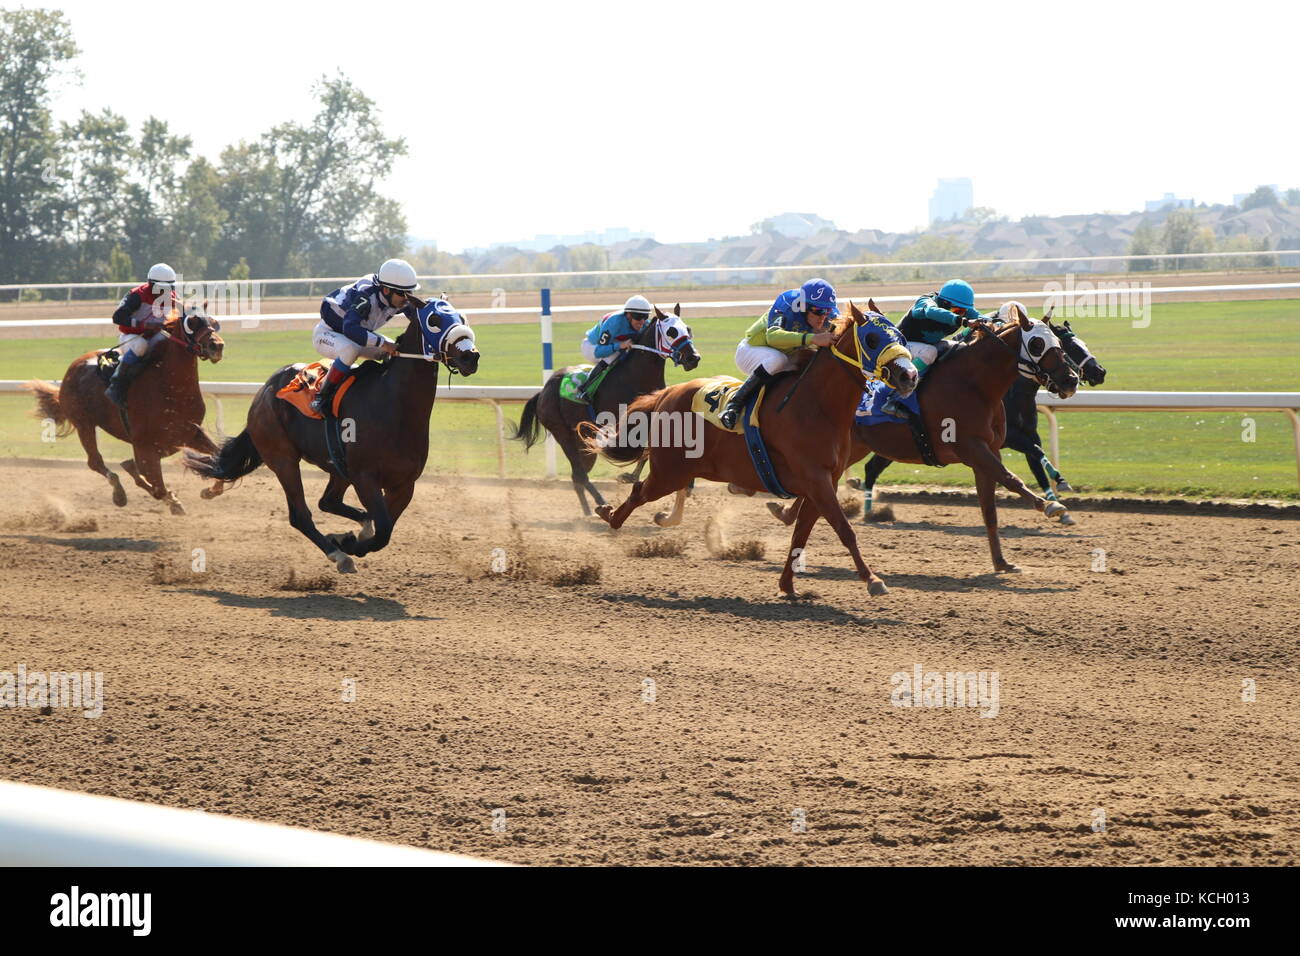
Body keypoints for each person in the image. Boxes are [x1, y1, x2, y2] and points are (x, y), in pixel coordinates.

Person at [718, 277, 837, 429]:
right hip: (750, 352)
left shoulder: (827, 313)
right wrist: (813, 338)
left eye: (828, 311)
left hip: (786, 357)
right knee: (778, 359)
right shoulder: (785, 303)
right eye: (819, 311)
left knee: (809, 362)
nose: (824, 317)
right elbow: (772, 337)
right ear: (803, 306)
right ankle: (734, 405)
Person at [310, 259, 422, 416]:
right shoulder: (366, 296)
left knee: (392, 351)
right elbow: (349, 329)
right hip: (329, 334)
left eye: (410, 292)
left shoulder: (395, 297)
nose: (407, 298)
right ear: (386, 290)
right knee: (351, 350)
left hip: (357, 333)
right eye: (403, 293)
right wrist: (383, 343)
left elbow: (419, 317)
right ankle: (322, 396)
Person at [881, 278, 989, 418]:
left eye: (964, 311)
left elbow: (982, 318)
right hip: (899, 346)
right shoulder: (926, 302)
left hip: (925, 346)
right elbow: (931, 311)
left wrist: (999, 323)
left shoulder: (961, 309)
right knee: (929, 352)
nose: (961, 313)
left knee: (963, 349)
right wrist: (962, 320)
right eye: (957, 310)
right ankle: (894, 397)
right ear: (944, 303)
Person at [106, 263, 179, 408]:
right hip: (130, 338)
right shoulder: (136, 296)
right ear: (151, 284)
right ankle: (117, 384)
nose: (164, 292)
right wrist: (144, 325)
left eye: (168, 288)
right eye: (160, 288)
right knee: (141, 345)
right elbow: (117, 317)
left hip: (155, 337)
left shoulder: (173, 298)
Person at [575, 294, 653, 401]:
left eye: (645, 316)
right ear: (628, 315)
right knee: (612, 356)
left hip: (612, 344)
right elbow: (599, 352)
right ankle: (585, 390)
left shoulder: (644, 323)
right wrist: (619, 345)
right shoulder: (614, 322)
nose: (642, 322)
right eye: (638, 317)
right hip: (591, 347)